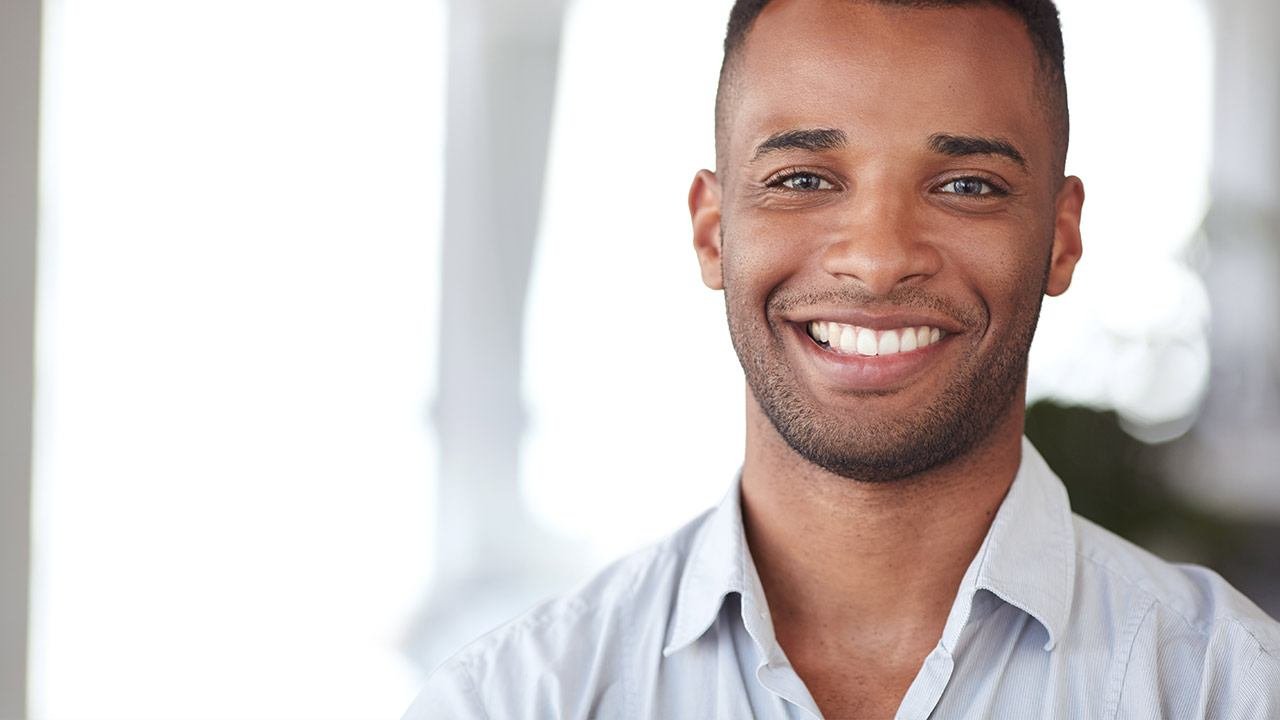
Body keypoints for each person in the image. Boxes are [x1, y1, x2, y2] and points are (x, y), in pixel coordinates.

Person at [404, 0, 1280, 717]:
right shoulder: (514, 699)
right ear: (713, 232)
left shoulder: (1229, 690)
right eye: (804, 180)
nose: (877, 256)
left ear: (1060, 235)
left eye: (966, 186)